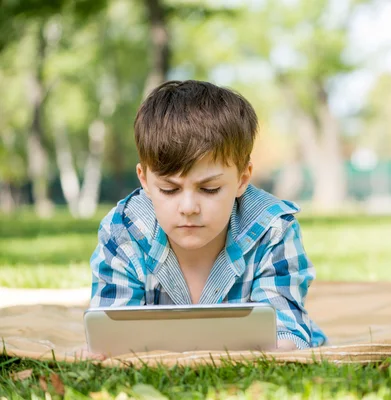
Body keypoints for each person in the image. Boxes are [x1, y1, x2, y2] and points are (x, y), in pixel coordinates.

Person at [88, 80, 326, 353]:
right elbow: (110, 335)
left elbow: (284, 331)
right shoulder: (124, 231)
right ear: (144, 180)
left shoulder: (271, 229)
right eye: (169, 189)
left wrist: (282, 347)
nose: (188, 207)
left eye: (209, 189)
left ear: (242, 179)